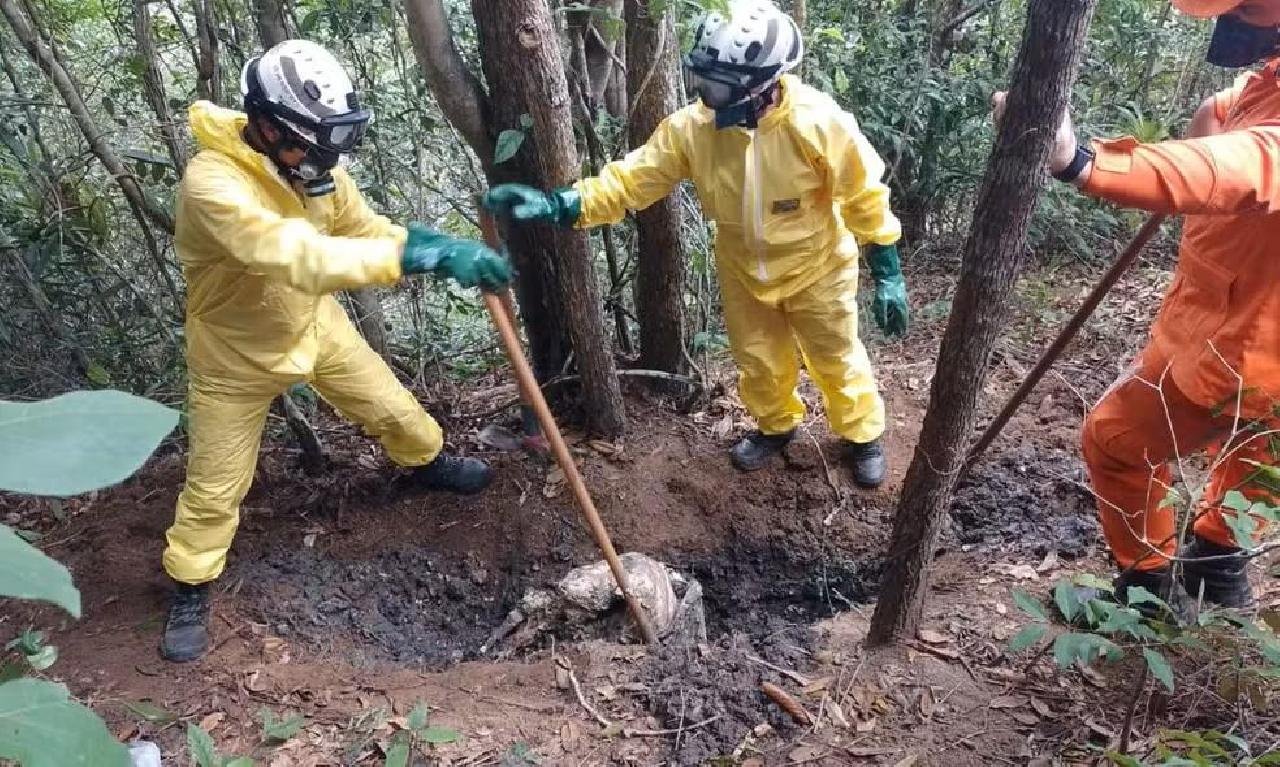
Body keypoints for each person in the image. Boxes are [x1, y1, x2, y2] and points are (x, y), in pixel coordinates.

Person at [161, 40, 512, 662]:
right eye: (312, 145)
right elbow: (297, 255)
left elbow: (364, 229)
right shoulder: (211, 184)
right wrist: (414, 258)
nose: (325, 160)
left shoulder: (313, 171)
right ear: (267, 128)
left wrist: (431, 243)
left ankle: (426, 463)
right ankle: (190, 582)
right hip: (232, 356)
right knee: (216, 488)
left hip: (314, 328)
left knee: (397, 412)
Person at [484, 0, 909, 487]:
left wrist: (888, 268)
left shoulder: (818, 123)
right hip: (742, 266)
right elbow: (632, 180)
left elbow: (864, 193)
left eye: (718, 82)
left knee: (835, 354)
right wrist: (561, 205)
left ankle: (861, 434)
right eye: (703, 77)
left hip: (818, 266)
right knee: (757, 356)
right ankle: (776, 426)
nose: (705, 92)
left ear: (759, 84)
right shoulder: (693, 130)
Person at [994, 0, 1280, 607]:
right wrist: (1221, 110)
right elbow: (1241, 124)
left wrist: (1082, 162)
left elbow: (1241, 164)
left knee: (1118, 440)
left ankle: (1151, 592)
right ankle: (1219, 570)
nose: (1226, 26)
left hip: (1240, 353)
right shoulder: (1267, 78)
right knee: (1258, 465)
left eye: (1245, 12)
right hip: (1239, 331)